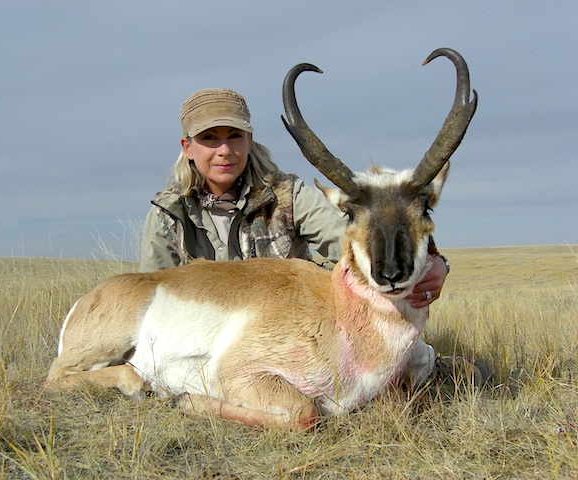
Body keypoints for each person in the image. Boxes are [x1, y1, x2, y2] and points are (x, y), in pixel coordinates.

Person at [139, 87, 487, 386]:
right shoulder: (167, 215)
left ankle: (426, 367)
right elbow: (151, 298)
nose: (224, 150)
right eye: (209, 139)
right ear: (188, 146)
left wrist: (434, 261)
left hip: (293, 334)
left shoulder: (289, 195)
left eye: (233, 136)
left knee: (384, 341)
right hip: (212, 336)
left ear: (249, 140)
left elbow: (354, 241)